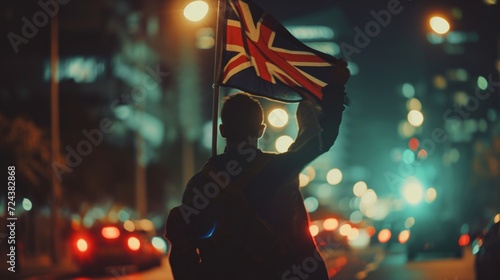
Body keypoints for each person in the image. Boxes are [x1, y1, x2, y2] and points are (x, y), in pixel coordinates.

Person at [165, 60, 350, 280]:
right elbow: (320, 139)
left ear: (222, 130)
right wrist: (334, 89)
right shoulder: (281, 169)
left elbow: (183, 255)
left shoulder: (200, 185)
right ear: (261, 131)